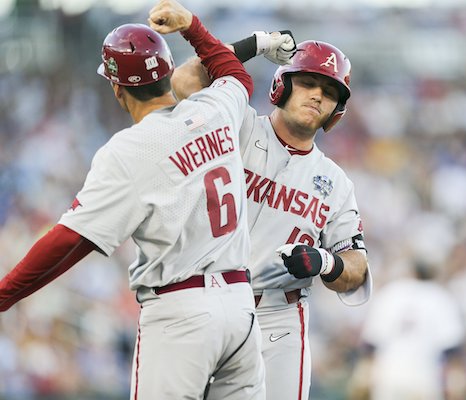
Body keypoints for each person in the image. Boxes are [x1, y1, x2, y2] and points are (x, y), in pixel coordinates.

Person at [0, 1, 266, 399]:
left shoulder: (129, 150)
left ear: (116, 87)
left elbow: (69, 240)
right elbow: (235, 74)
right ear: (167, 74)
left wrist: (4, 294)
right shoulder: (213, 109)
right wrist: (193, 27)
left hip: (182, 314)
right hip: (242, 308)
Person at [172, 37, 372, 399]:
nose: (317, 95)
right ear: (283, 84)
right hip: (204, 300)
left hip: (278, 317)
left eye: (329, 91)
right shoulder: (239, 125)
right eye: (308, 82)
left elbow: (356, 271)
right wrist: (254, 45)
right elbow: (185, 80)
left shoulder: (337, 184)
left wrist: (326, 262)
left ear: (336, 109)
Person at [353, 260, 466, 400]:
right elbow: (452, 350)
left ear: (411, 271)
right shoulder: (439, 296)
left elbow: (371, 345)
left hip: (388, 376)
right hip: (424, 377)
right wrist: (456, 386)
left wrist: (363, 379)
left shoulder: (391, 292)